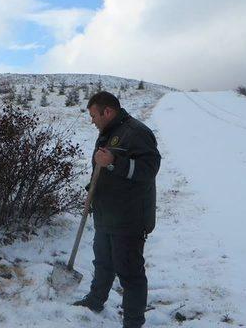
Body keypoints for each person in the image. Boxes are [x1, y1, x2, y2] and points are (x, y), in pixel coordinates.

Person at [73, 91, 161, 328]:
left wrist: (114, 162)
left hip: (129, 217)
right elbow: (102, 169)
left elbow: (149, 169)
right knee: (103, 262)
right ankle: (95, 300)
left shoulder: (136, 133)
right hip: (106, 214)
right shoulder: (108, 133)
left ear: (108, 112)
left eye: (94, 115)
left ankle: (133, 322)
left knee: (130, 273)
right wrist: (92, 189)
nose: (92, 121)